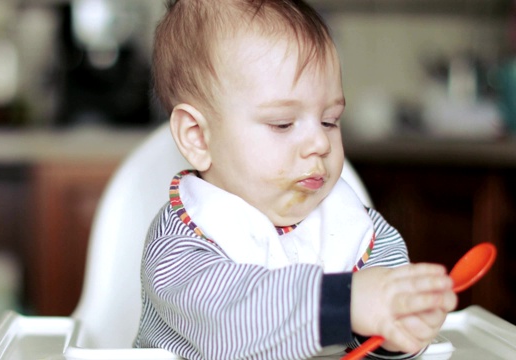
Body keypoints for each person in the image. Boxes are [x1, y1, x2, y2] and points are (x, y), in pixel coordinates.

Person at [134, 1, 457, 359]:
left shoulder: (353, 228)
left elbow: (382, 319)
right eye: (283, 124)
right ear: (197, 136)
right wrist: (346, 302)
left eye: (330, 121)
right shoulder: (181, 243)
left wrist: (401, 326)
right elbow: (229, 326)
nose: (320, 143)